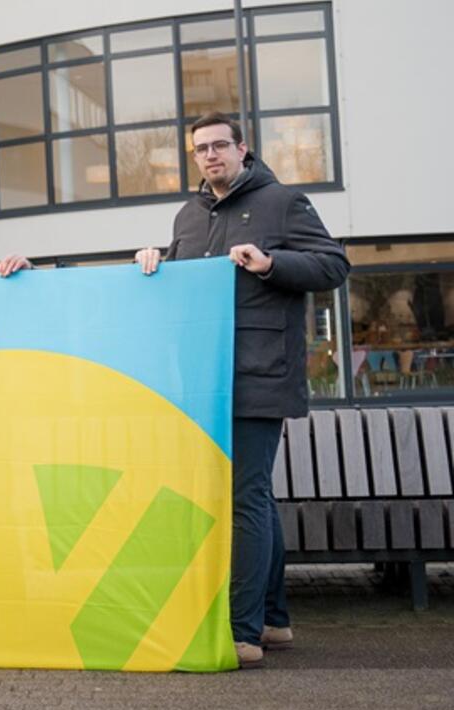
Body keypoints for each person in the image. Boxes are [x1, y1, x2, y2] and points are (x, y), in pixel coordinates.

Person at [134, 111, 349, 668]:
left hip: (260, 376)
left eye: (219, 145)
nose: (210, 155)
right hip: (204, 379)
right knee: (253, 497)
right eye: (200, 148)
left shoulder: (283, 202)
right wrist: (156, 260)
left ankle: (242, 632)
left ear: (243, 148)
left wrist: (271, 262)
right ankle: (275, 621)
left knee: (242, 498)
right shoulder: (188, 214)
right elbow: (184, 282)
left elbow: (333, 264)